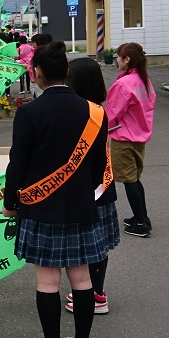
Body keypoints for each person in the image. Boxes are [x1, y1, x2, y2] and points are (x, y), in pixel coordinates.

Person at [2, 41, 109, 338]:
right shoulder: (95, 112)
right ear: (67, 72)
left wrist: (10, 203)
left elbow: (16, 165)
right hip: (82, 209)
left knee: (48, 283)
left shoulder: (29, 113)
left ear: (36, 75)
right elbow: (98, 168)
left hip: (40, 209)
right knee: (82, 282)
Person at [64, 56, 117, 315]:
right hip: (102, 185)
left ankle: (92, 294)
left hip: (86, 188)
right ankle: (97, 291)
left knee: (87, 244)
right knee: (100, 243)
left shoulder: (82, 112)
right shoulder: (98, 109)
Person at [105, 42, 157, 238]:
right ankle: (141, 216)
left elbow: (112, 113)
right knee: (134, 178)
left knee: (129, 180)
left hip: (124, 137)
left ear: (127, 59)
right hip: (139, 135)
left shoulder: (123, 84)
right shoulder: (144, 81)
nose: (117, 60)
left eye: (119, 56)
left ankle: (141, 223)